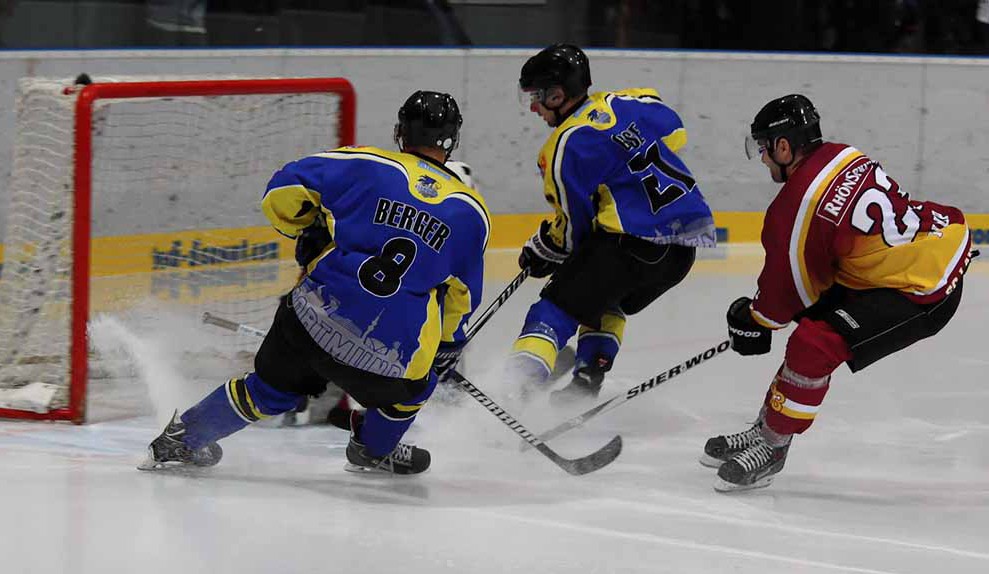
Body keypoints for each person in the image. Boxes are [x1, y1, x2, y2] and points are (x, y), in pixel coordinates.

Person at [139, 90, 490, 475]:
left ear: (400, 131)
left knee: (267, 390)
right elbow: (463, 295)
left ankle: (181, 439)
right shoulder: (472, 213)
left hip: (309, 319)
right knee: (416, 388)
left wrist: (308, 227)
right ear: (452, 140)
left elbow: (281, 191)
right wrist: (447, 347)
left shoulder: (366, 164)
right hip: (390, 354)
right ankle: (372, 450)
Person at [703, 94, 976, 492]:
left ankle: (774, 446)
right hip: (926, 247)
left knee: (814, 343)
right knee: (813, 323)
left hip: (924, 287)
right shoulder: (843, 154)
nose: (762, 158)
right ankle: (766, 428)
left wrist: (754, 318)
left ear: (783, 146)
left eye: (763, 148)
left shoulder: (796, 204)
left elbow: (785, 295)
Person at [510, 43, 716, 404]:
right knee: (605, 299)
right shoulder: (629, 102)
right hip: (684, 250)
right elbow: (675, 131)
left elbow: (575, 230)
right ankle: (587, 380)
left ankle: (513, 393)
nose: (532, 106)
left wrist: (546, 248)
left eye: (538, 96)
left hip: (632, 245)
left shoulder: (564, 146)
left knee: (554, 309)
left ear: (557, 96)